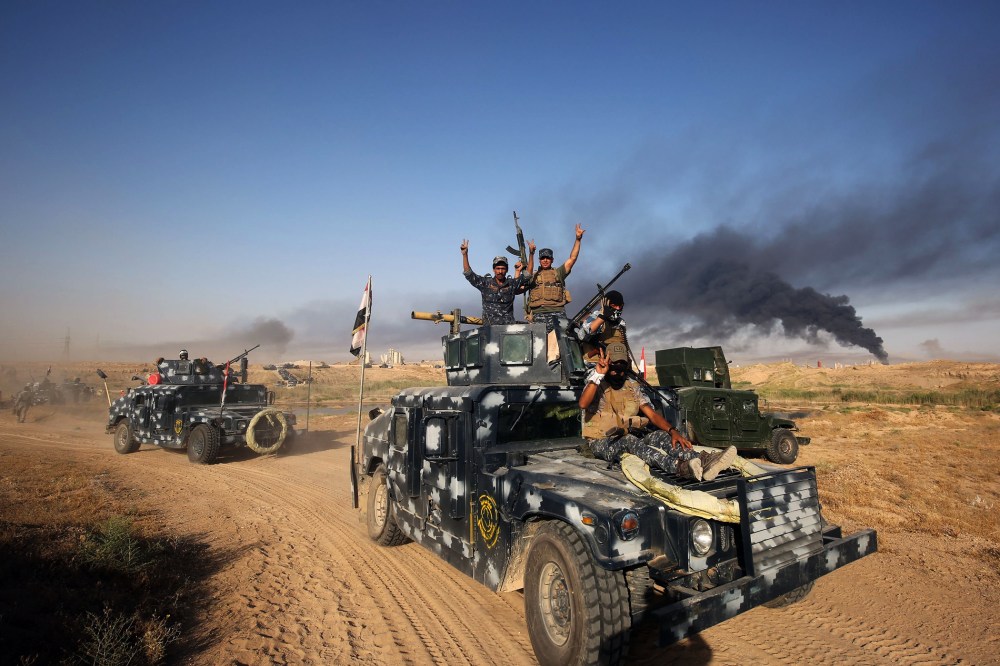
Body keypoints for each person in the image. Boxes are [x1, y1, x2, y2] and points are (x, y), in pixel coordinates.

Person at [579, 343, 736, 481]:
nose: (617, 374)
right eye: (613, 369)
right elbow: (583, 403)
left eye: (621, 370)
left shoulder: (632, 387)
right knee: (629, 441)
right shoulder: (596, 383)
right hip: (600, 441)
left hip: (628, 435)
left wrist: (672, 431)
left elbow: (652, 415)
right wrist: (599, 373)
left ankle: (704, 460)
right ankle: (680, 468)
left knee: (662, 436)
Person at [461, 239, 531, 325]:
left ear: (507, 270)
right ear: (493, 269)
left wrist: (531, 254)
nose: (500, 271)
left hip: (508, 330)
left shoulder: (511, 284)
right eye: (498, 269)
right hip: (489, 330)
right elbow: (469, 274)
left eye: (503, 269)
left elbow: (528, 275)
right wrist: (465, 255)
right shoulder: (485, 283)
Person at [526, 223, 585, 326]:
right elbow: (528, 272)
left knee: (560, 341)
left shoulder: (558, 272)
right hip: (538, 314)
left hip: (558, 313)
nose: (545, 260)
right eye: (542, 258)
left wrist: (578, 239)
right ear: (539, 260)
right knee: (540, 342)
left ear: (552, 260)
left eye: (548, 258)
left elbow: (572, 259)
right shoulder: (533, 275)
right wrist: (531, 253)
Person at [581, 289, 626, 359]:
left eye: (620, 306)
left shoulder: (620, 322)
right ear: (606, 304)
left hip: (615, 361)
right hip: (595, 363)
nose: (618, 308)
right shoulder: (596, 316)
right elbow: (589, 329)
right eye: (614, 305)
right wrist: (603, 317)